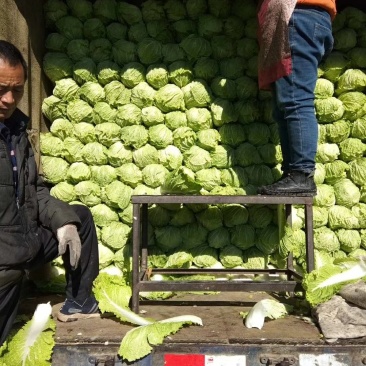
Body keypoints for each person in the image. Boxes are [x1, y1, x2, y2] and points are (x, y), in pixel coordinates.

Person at [0, 40, 100, 346]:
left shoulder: (16, 131)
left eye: (17, 90)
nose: (8, 99)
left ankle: (80, 303)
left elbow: (35, 191)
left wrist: (63, 221)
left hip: (24, 243)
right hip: (4, 259)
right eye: (1, 88)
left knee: (79, 218)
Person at [257, 0, 336, 196]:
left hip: (299, 15)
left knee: (295, 99)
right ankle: (293, 173)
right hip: (302, 17)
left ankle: (301, 174)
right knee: (283, 106)